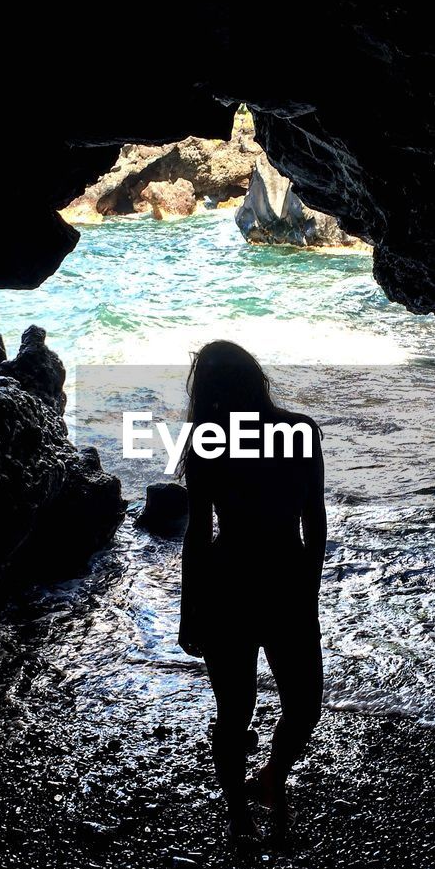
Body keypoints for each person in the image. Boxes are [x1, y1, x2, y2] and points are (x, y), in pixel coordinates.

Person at [176, 340, 327, 843]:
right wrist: (189, 607)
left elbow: (315, 515)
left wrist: (310, 585)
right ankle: (239, 813)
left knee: (295, 705)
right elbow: (196, 531)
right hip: (249, 581)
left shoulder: (296, 431)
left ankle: (267, 782)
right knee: (249, 709)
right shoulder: (208, 442)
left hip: (264, 581)